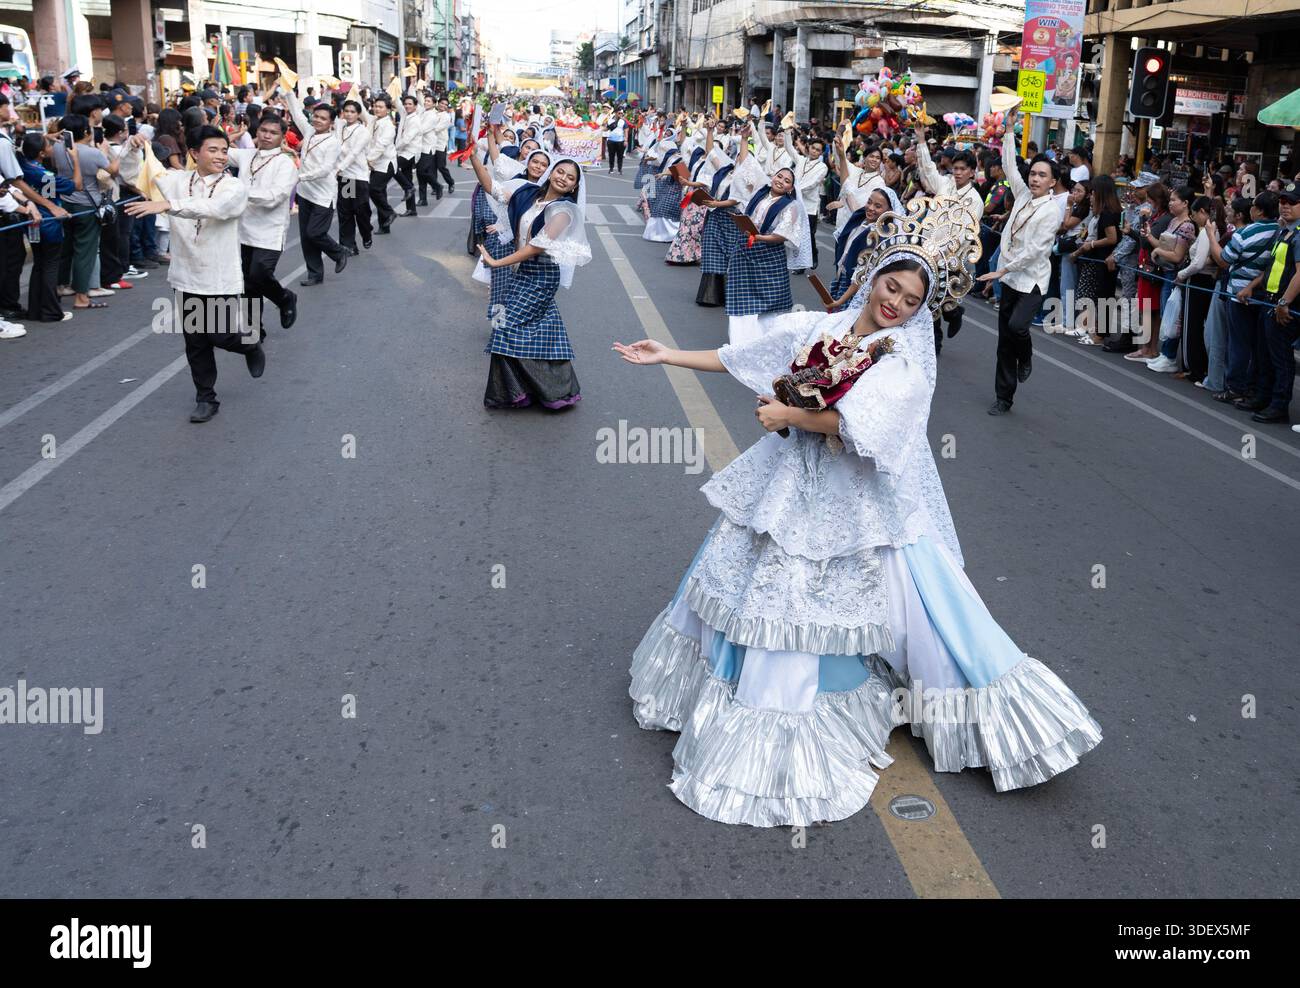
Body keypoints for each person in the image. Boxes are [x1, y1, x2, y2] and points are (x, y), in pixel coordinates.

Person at [612, 202, 1101, 827]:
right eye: (891, 285)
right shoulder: (825, 326)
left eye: (911, 298)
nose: (895, 301)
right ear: (873, 278)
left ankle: (940, 712)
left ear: (923, 311)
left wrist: (791, 417)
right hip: (789, 484)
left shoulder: (903, 366)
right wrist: (670, 355)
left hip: (855, 499)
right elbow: (756, 355)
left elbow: (859, 427)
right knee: (751, 575)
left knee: (909, 599)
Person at [125, 126, 263, 424]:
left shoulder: (233, 187)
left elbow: (216, 208)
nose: (220, 156)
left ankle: (249, 344)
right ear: (194, 153)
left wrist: (168, 205)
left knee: (222, 334)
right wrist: (133, 148)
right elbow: (131, 174)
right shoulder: (177, 181)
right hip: (186, 275)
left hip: (219, 275)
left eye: (224, 150)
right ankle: (206, 397)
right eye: (212, 150)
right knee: (196, 340)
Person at [475, 156, 591, 409]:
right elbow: (492, 188)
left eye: (570, 178)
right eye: (560, 172)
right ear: (551, 174)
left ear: (573, 187)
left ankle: (519, 392)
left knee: (504, 326)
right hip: (522, 271)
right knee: (543, 332)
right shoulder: (529, 195)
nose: (563, 178)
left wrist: (496, 263)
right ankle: (554, 391)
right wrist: (473, 154)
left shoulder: (565, 210)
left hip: (541, 275)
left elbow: (536, 247)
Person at [979, 106, 1060, 415]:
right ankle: (1004, 398)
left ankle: (1026, 356)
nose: (1035, 178)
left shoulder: (1051, 211)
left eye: (1042, 175)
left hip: (1033, 279)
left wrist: (1001, 269)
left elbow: (1036, 252)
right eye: (1034, 173)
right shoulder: (1023, 195)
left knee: (1017, 327)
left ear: (1053, 182)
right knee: (1004, 341)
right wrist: (1010, 130)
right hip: (1010, 277)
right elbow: (1009, 165)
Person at [723, 130, 812, 345]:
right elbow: (747, 167)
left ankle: (763, 342)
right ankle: (740, 341)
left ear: (791, 188)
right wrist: (745, 139)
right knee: (740, 298)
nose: (781, 181)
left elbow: (782, 235)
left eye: (787, 180)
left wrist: (759, 238)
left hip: (768, 258)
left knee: (769, 302)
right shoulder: (760, 192)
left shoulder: (791, 207)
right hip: (745, 251)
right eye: (779, 176)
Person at [227, 111, 298, 342]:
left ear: (282, 136)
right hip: (244, 229)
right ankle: (254, 328)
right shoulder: (247, 155)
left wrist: (240, 192)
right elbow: (217, 152)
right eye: (264, 131)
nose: (267, 136)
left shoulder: (285, 164)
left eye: (273, 133)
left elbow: (275, 197)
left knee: (260, 273)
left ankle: (284, 298)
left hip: (270, 230)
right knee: (249, 283)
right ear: (257, 132)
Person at [283, 87, 349, 286]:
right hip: (305, 193)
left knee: (315, 233)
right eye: (316, 116)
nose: (317, 120)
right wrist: (288, 90)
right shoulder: (310, 132)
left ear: (331, 123)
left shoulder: (333, 143)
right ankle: (315, 274)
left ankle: (338, 252)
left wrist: (300, 177)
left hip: (323, 195)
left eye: (323, 118)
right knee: (306, 237)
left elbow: (325, 169)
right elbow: (296, 113)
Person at [16, 131, 76, 326]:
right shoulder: (45, 175)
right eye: (48, 145)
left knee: (39, 265)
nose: (52, 147)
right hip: (49, 224)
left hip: (31, 223)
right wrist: (75, 160)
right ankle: (51, 311)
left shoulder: (22, 166)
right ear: (42, 153)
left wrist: (47, 136)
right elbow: (77, 185)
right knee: (50, 267)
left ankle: (35, 310)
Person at [334, 98, 373, 254]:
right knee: (345, 212)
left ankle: (366, 233)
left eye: (352, 112)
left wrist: (338, 168)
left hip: (358, 177)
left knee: (361, 211)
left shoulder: (363, 131)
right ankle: (348, 245)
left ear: (358, 114)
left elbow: (354, 153)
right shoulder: (340, 126)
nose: (349, 115)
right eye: (346, 111)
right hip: (346, 178)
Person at [366, 95, 398, 234]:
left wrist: (367, 160)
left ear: (388, 109)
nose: (377, 109)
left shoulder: (389, 126)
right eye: (375, 106)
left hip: (386, 163)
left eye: (380, 107)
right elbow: (361, 111)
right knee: (380, 192)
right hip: (374, 164)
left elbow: (380, 146)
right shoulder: (373, 120)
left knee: (373, 189)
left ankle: (389, 212)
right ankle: (384, 225)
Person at [395, 92, 423, 214]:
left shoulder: (415, 120)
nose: (407, 106)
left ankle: (408, 188)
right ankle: (411, 209)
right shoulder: (404, 115)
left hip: (410, 153)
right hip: (403, 151)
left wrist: (394, 148)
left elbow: (406, 139)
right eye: (405, 104)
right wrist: (395, 87)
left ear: (415, 106)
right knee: (407, 178)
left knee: (392, 167)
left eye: (410, 104)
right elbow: (396, 102)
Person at [606, 109, 626, 175]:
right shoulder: (610, 120)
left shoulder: (623, 121)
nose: (620, 114)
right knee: (611, 155)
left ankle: (620, 169)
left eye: (621, 113)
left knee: (620, 156)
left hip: (620, 141)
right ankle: (611, 168)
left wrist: (626, 140)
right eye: (619, 113)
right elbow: (606, 128)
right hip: (611, 140)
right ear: (615, 113)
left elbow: (626, 130)